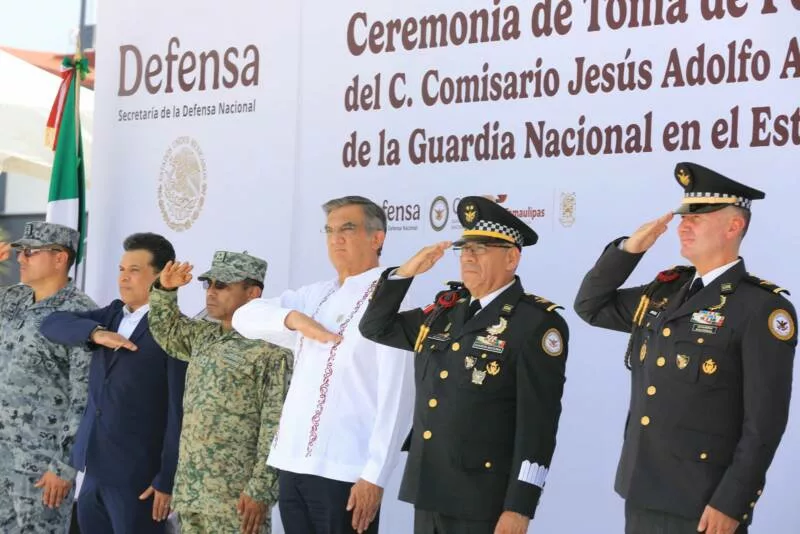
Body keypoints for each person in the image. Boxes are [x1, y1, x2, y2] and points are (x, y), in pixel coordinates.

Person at [573, 162, 797, 534]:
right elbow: (590, 306)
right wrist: (629, 250)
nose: (683, 226)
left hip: (704, 503)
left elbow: (764, 422)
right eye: (683, 217)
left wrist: (733, 501)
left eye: (697, 217)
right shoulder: (663, 292)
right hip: (642, 490)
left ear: (733, 226)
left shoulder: (760, 308)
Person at [358, 196, 569, 534]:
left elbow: (539, 426)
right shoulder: (444, 311)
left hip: (483, 498)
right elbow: (374, 328)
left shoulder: (535, 323)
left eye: (481, 249)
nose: (468, 256)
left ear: (512, 257)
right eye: (464, 249)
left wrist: (520, 507)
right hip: (430, 487)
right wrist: (404, 273)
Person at [233, 196, 414, 534]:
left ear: (377, 238)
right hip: (292, 462)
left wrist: (375, 475)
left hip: (346, 469)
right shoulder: (315, 295)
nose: (336, 239)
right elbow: (243, 316)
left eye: (347, 229)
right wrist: (294, 319)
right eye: (329, 231)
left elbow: (398, 398)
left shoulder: (391, 299)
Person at [40, 232, 187, 534]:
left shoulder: (175, 331)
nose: (123, 278)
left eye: (134, 270)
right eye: (121, 269)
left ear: (161, 275)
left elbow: (178, 411)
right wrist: (95, 333)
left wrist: (167, 478)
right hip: (94, 469)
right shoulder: (110, 316)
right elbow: (52, 323)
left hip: (140, 476)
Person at [148, 250, 291, 534]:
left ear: (252, 293)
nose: (211, 292)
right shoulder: (204, 335)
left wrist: (261, 488)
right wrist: (165, 290)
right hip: (192, 491)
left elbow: (276, 424)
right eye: (208, 284)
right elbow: (167, 331)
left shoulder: (271, 349)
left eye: (222, 285)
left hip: (236, 498)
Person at [0, 221, 96, 533]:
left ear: (60, 258)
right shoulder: (11, 299)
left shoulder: (80, 314)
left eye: (30, 252)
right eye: (20, 251)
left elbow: (85, 399)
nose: (20, 258)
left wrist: (65, 466)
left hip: (41, 468)